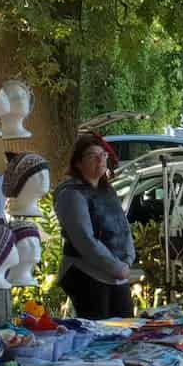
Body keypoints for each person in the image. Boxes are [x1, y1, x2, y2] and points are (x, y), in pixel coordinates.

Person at [53, 133, 138, 319]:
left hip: (115, 274)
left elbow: (123, 228)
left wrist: (128, 260)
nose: (100, 159)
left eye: (103, 155)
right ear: (78, 163)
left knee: (126, 329)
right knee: (100, 337)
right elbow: (85, 241)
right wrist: (117, 267)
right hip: (87, 274)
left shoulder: (107, 190)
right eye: (93, 155)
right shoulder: (71, 195)